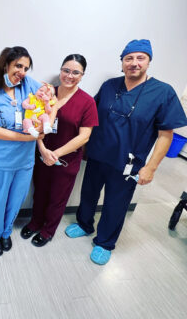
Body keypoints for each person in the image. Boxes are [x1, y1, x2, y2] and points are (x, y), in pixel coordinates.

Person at [65, 39, 187, 265]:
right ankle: (84, 224)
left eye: (140, 58)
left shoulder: (163, 92)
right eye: (128, 58)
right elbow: (91, 119)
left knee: (116, 204)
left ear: (149, 61)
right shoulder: (110, 86)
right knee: (88, 193)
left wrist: (150, 168)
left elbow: (165, 135)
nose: (134, 63)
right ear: (122, 62)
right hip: (98, 154)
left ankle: (105, 242)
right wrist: (83, 147)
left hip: (128, 162)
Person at [21, 54, 98, 246]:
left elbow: (84, 137)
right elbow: (35, 122)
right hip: (41, 153)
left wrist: (55, 154)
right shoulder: (46, 94)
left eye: (75, 72)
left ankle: (48, 230)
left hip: (65, 160)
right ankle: (36, 221)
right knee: (39, 192)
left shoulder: (87, 102)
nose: (69, 76)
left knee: (57, 197)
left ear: (82, 75)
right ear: (60, 70)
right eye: (66, 70)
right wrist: (43, 149)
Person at [0, 46, 45, 256]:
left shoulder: (29, 85)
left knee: (17, 199)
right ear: (5, 64)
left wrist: (45, 128)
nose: (22, 71)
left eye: (26, 67)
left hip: (25, 160)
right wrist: (27, 137)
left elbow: (50, 102)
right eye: (18, 65)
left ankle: (6, 232)